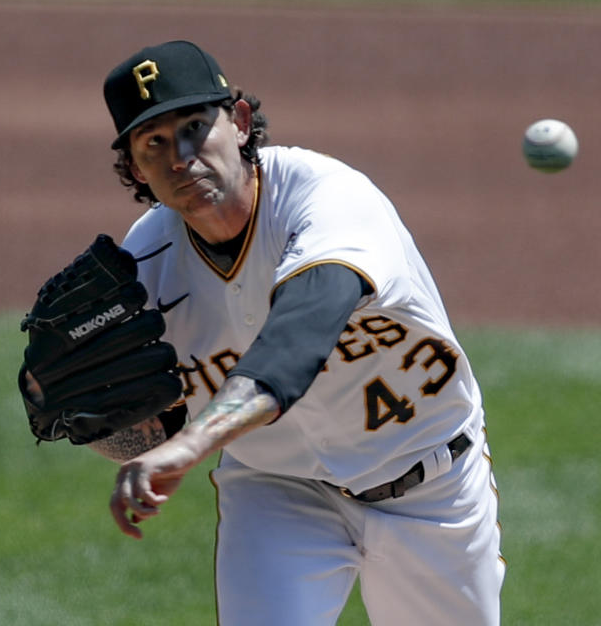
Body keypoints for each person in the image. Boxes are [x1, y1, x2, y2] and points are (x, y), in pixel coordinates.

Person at [87, 39, 504, 625]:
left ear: (238, 121)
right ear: (135, 167)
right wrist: (95, 420)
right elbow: (143, 417)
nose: (181, 156)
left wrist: (188, 448)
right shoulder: (144, 265)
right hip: (277, 491)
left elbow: (291, 349)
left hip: (432, 488)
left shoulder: (328, 200)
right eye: (154, 142)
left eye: (194, 126)